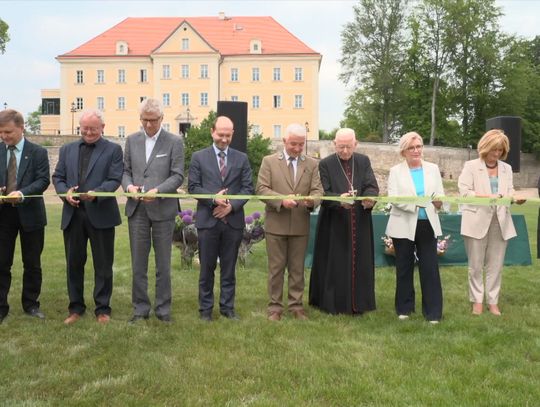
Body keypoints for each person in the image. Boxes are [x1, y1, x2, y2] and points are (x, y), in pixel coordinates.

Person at [52, 109, 123, 325]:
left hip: (101, 213)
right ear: (79, 128)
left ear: (103, 127)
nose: (89, 132)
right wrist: (66, 194)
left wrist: (97, 193)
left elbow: (114, 179)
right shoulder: (67, 149)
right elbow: (58, 177)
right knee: (74, 263)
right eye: (85, 128)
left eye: (93, 128)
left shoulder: (114, 149)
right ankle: (75, 308)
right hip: (73, 214)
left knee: (103, 265)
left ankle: (102, 309)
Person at [122, 98, 184, 323]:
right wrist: (128, 186)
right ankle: (140, 309)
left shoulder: (174, 142)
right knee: (138, 263)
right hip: (137, 209)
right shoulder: (131, 140)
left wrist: (157, 191)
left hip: (163, 210)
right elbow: (125, 170)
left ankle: (163, 309)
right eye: (144, 120)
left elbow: (177, 175)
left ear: (162, 119)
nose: (148, 125)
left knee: (163, 264)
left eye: (153, 120)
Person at [188, 116, 253, 321]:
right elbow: (193, 187)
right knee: (206, 269)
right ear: (212, 132)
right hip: (208, 221)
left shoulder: (241, 158)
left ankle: (227, 308)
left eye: (228, 135)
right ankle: (205, 310)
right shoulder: (199, 157)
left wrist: (231, 206)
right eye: (220, 135)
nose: (224, 139)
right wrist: (213, 200)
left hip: (232, 222)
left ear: (232, 134)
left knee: (229, 268)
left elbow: (247, 188)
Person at [256, 123, 323, 321]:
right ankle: (275, 308)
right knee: (276, 268)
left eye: (301, 145)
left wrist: (313, 201)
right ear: (284, 141)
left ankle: (296, 306)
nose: (297, 148)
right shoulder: (268, 161)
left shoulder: (312, 164)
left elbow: (318, 191)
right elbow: (261, 189)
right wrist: (281, 200)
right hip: (276, 224)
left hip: (301, 224)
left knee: (297, 269)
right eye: (293, 144)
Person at [309, 128, 379, 315]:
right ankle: (333, 303)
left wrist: (369, 198)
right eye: (341, 147)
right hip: (334, 222)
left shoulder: (363, 161)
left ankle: (360, 303)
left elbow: (371, 185)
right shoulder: (325, 164)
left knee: (360, 261)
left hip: (360, 220)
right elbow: (323, 192)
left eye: (349, 147)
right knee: (335, 262)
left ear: (355, 144)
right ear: (334, 144)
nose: (345, 151)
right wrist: (339, 200)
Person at [458, 129, 525, 316]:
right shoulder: (471, 166)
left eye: (500, 150)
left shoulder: (506, 168)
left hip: (500, 221)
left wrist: (515, 198)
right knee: (475, 265)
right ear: (485, 147)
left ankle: (493, 301)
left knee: (496, 265)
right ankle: (477, 301)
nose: (496, 154)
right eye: (493, 149)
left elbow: (509, 191)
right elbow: (465, 193)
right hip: (475, 220)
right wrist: (489, 196)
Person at [385, 132, 445, 323]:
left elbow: (441, 195)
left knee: (430, 268)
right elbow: (393, 198)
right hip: (402, 224)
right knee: (404, 267)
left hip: (428, 224)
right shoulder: (395, 171)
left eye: (419, 146)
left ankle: (433, 312)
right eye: (411, 147)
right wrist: (417, 203)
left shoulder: (433, 169)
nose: (416, 150)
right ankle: (404, 308)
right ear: (404, 151)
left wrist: (438, 203)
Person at [0, 109, 50, 324]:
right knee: (2, 263)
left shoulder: (38, 152)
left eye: (8, 132)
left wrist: (21, 194)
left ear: (21, 128)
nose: (4, 136)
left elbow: (42, 180)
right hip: (3, 217)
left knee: (32, 263)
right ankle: (1, 307)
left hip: (31, 215)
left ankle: (31, 304)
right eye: (1, 132)